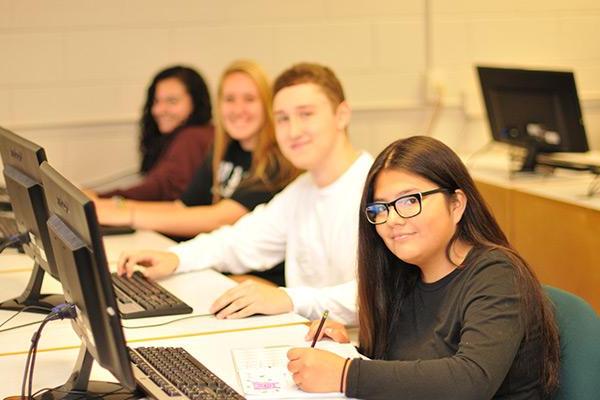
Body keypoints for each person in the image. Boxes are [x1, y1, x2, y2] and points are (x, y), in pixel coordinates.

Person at [287, 136, 560, 399]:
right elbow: (406, 371)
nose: (392, 219)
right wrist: (349, 353)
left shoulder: (498, 273)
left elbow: (471, 381)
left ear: (456, 204)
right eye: (381, 208)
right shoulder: (402, 276)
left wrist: (347, 373)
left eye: (409, 201)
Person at [117, 62, 374, 323]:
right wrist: (176, 258)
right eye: (283, 118)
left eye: (306, 114)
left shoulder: (375, 191)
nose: (293, 131)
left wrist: (288, 299)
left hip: (361, 354)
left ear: (342, 115)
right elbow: (239, 242)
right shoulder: (301, 191)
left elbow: (380, 293)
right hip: (310, 340)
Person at [95, 60, 298, 241]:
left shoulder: (276, 162)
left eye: (249, 99)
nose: (237, 109)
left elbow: (217, 219)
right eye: (229, 99)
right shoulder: (224, 149)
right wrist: (112, 207)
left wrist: (126, 215)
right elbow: (181, 207)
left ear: (267, 105)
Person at [93, 65, 214, 201]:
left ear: (196, 102)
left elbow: (159, 189)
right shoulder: (201, 133)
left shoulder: (192, 137)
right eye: (156, 101)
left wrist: (99, 198)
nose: (158, 110)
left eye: (172, 101)